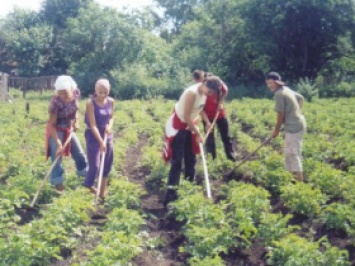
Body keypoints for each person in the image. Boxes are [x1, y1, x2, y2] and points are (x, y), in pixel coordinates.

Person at [162, 75, 223, 206]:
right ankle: (170, 196)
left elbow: (199, 110)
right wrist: (198, 133)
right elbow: (186, 116)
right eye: (210, 91)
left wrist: (207, 122)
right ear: (205, 84)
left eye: (213, 93)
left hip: (190, 125)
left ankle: (188, 189)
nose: (211, 94)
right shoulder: (191, 93)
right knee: (177, 162)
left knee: (191, 159)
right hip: (179, 127)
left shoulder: (204, 94)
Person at [46, 75, 87, 192]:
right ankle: (59, 187)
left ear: (72, 89)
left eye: (65, 92)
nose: (63, 95)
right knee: (57, 155)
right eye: (60, 92)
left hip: (69, 127)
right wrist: (59, 144)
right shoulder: (55, 102)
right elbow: (52, 125)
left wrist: (77, 121)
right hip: (57, 129)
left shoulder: (76, 94)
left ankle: (87, 179)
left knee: (79, 152)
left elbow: (76, 110)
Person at [265, 72, 306, 182]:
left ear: (277, 82)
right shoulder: (286, 89)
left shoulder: (279, 94)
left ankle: (299, 185)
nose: (269, 85)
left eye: (271, 83)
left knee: (292, 154)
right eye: (268, 83)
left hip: (294, 127)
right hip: (297, 123)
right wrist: (296, 112)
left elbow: (280, 114)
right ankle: (291, 180)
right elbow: (300, 98)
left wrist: (276, 130)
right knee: (290, 152)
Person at [193, 70, 236, 161]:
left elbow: (225, 90)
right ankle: (212, 160)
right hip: (207, 117)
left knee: (226, 136)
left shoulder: (219, 85)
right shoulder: (201, 91)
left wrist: (220, 102)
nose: (212, 93)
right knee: (209, 139)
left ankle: (231, 157)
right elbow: (200, 110)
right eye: (211, 91)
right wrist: (208, 122)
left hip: (220, 114)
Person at [83, 79, 114, 198]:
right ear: (96, 90)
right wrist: (101, 142)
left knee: (106, 164)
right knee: (95, 165)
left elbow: (111, 117)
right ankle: (88, 186)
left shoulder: (111, 101)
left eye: (105, 92)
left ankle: (102, 193)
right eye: (100, 92)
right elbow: (93, 125)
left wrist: (109, 127)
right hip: (93, 135)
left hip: (107, 135)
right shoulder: (90, 103)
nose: (102, 94)